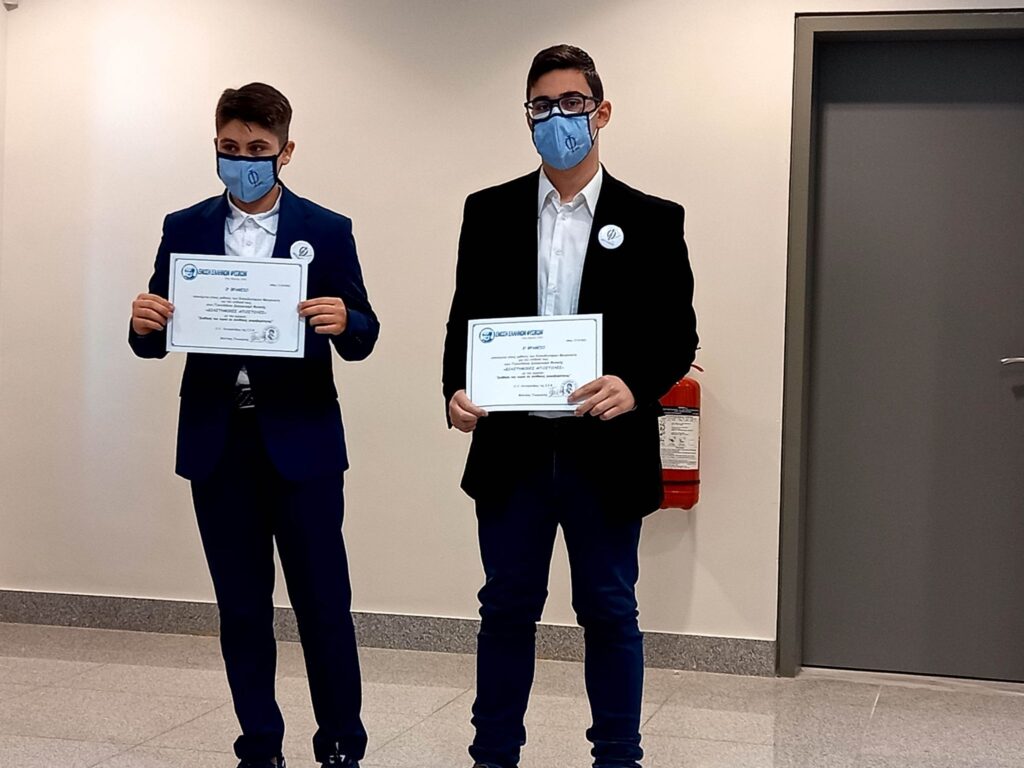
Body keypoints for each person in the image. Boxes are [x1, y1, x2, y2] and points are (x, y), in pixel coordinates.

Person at [442, 45, 699, 768]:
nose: (558, 118)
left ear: (601, 112)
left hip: (605, 453)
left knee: (610, 611)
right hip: (513, 453)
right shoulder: (488, 211)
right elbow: (464, 322)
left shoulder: (653, 219)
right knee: (505, 609)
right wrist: (454, 391)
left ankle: (618, 756)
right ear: (528, 116)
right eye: (542, 106)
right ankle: (493, 754)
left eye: (573, 104)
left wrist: (635, 384)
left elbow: (678, 336)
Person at [129, 82, 377, 768]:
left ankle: (341, 744)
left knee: (324, 605)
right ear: (215, 146)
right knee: (241, 609)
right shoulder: (184, 227)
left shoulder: (326, 230)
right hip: (219, 443)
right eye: (229, 148)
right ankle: (260, 746)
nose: (242, 161)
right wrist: (143, 323)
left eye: (257, 150)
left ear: (285, 152)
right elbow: (157, 334)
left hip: (303, 444)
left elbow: (364, 334)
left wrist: (344, 320)